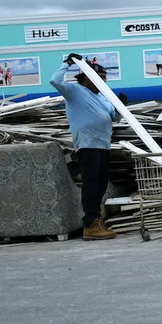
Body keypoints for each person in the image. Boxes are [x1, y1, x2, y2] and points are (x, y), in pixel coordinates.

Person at [51, 53, 120, 241]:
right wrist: (67, 63)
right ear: (87, 78)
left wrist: (121, 105)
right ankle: (89, 224)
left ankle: (96, 219)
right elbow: (54, 81)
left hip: (103, 144)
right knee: (91, 183)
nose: (103, 82)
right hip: (87, 144)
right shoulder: (75, 91)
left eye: (104, 79)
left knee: (100, 184)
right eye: (100, 78)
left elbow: (114, 117)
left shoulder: (104, 97)